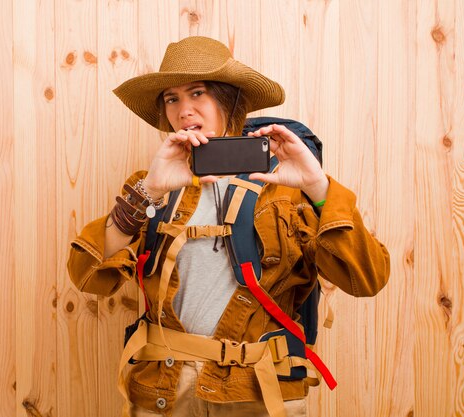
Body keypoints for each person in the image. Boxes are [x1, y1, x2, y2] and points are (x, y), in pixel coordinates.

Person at [67, 36, 390, 417]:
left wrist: (317, 186)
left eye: (197, 93)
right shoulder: (149, 185)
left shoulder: (287, 187)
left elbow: (366, 279)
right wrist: (148, 192)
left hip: (255, 391)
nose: (184, 110)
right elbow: (88, 277)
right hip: (163, 391)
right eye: (172, 99)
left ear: (229, 98)